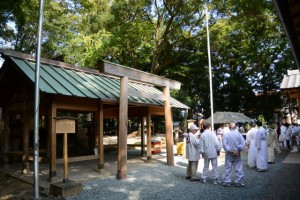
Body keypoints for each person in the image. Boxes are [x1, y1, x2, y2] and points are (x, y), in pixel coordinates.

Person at [222, 122, 246, 187]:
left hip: (229, 154)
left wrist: (230, 150)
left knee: (227, 168)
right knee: (238, 168)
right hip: (237, 154)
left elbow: (225, 144)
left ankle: (227, 181)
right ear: (235, 127)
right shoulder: (239, 134)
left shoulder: (226, 134)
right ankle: (239, 181)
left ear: (229, 127)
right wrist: (238, 150)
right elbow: (243, 143)